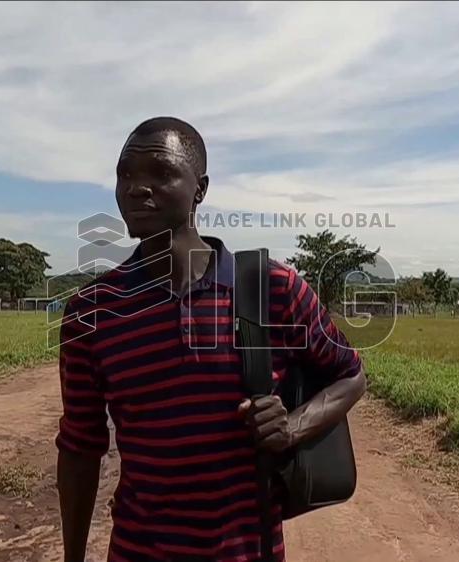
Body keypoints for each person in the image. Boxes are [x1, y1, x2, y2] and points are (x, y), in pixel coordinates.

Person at [57, 116, 366, 562]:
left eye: (160, 173)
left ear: (199, 189)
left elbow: (350, 374)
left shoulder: (268, 288)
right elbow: (80, 448)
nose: (136, 188)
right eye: (126, 174)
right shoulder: (93, 311)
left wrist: (291, 428)